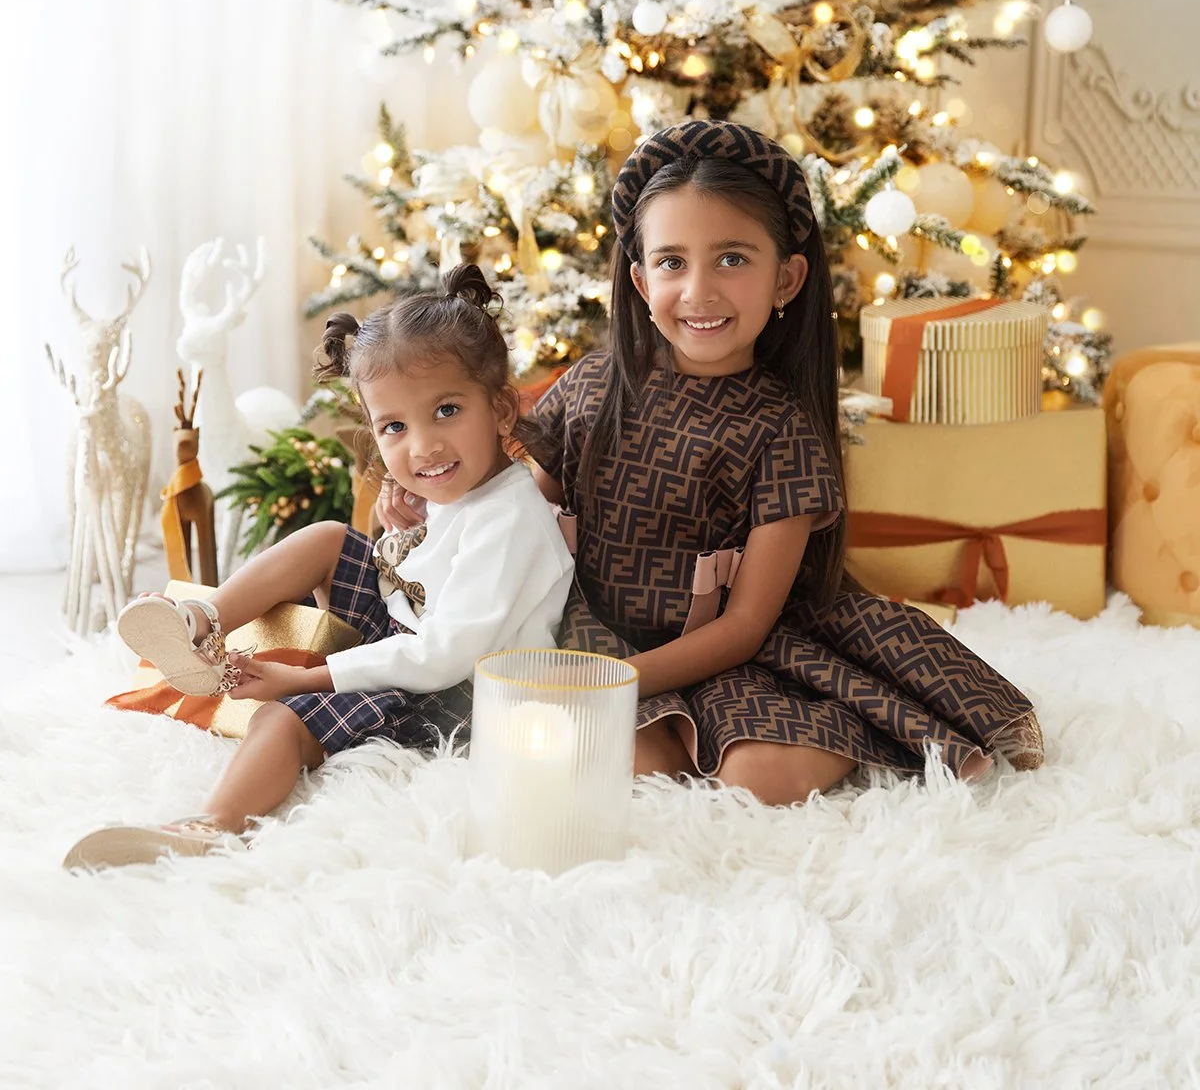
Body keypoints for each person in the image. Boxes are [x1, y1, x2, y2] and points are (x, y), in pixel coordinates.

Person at [396, 121, 1045, 807]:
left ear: (786, 278)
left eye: (732, 260)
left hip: (738, 651)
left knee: (758, 783)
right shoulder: (592, 388)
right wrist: (431, 509)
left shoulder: (783, 430)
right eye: (673, 263)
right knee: (611, 764)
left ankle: (842, 728)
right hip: (602, 636)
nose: (699, 291)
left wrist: (615, 683)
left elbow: (745, 627)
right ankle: (673, 734)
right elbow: (510, 511)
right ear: (642, 281)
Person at [64, 264, 575, 869]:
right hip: (412, 627)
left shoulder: (511, 518)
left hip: (456, 695)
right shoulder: (471, 491)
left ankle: (216, 824)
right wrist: (411, 528)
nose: (423, 447)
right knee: (330, 538)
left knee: (284, 718)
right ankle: (201, 620)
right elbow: (444, 570)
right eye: (394, 426)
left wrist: (306, 679)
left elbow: (443, 655)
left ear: (502, 411)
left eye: (446, 411)